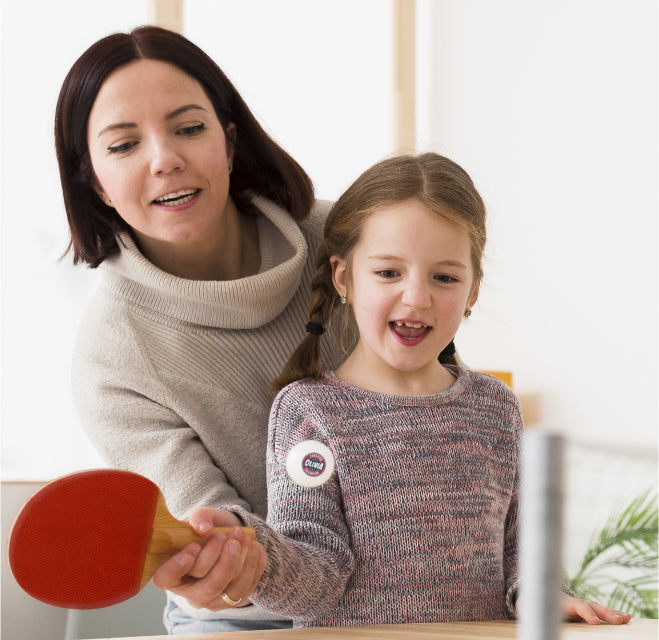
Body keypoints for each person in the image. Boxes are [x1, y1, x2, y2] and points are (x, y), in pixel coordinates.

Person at [190, 153, 632, 627]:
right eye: (388, 272)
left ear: (473, 292)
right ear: (345, 278)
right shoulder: (309, 411)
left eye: (444, 277)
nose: (417, 297)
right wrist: (248, 550)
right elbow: (315, 575)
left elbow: (519, 547)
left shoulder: (495, 407)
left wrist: (543, 595)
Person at [56, 25, 349, 634]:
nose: (165, 159)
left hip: (418, 585)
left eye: (189, 128)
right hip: (254, 614)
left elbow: (452, 425)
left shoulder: (349, 245)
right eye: (123, 145)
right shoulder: (111, 359)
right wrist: (225, 557)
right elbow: (207, 518)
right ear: (94, 183)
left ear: (230, 142)